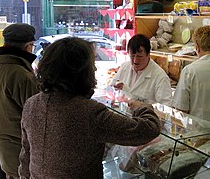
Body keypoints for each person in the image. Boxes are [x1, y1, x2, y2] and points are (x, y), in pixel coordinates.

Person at [18, 37, 161, 179]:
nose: (95, 68)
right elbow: (149, 129)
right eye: (92, 64)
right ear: (80, 72)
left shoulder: (31, 104)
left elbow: (26, 155)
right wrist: (143, 107)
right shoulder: (89, 113)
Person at [0, 23, 39, 179]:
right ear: (28, 47)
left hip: (4, 150)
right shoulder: (22, 76)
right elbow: (38, 118)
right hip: (24, 151)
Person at [109, 34, 172, 105]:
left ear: (148, 54)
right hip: (123, 114)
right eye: (132, 56)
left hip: (145, 115)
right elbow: (110, 90)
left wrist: (143, 105)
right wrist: (115, 88)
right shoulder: (125, 67)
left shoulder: (160, 77)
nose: (135, 60)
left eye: (140, 56)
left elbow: (166, 108)